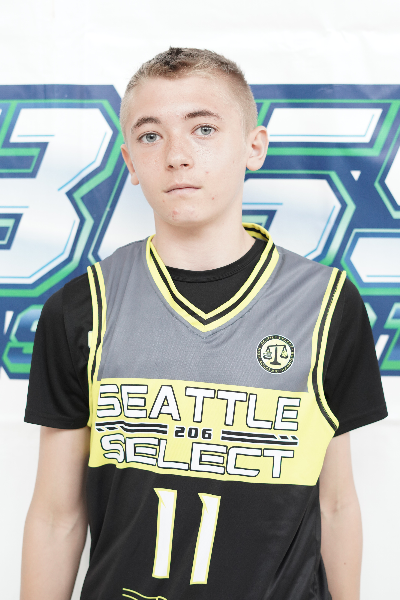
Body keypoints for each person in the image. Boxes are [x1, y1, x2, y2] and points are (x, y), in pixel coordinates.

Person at [22, 47, 387, 600]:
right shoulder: (82, 307)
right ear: (130, 162)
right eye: (151, 136)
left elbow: (335, 503)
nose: (176, 155)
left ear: (253, 146)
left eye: (204, 129)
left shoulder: (327, 303)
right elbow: (56, 516)